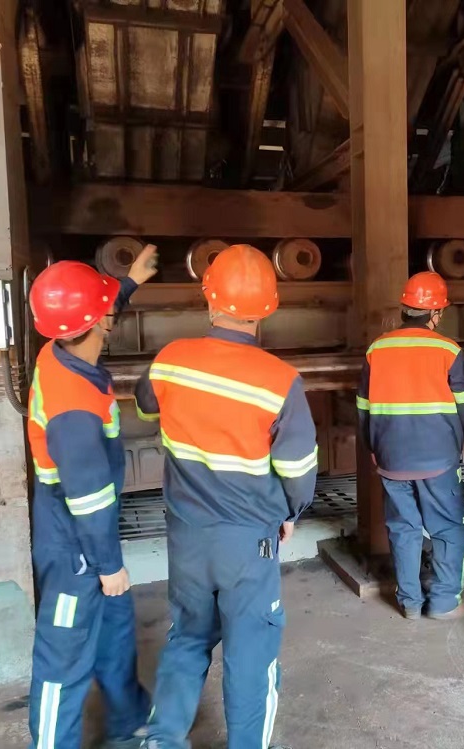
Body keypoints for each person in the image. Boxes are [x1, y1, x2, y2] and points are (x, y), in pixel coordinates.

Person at [134, 245, 318, 749]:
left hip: (187, 533)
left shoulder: (170, 361)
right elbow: (298, 471)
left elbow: (147, 408)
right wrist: (290, 513)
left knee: (188, 635)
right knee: (251, 649)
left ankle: (162, 739)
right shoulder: (280, 381)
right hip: (248, 541)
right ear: (268, 308)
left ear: (208, 297)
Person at [26, 245, 159, 749]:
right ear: (100, 322)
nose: (111, 315)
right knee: (63, 656)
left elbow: (91, 313)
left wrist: (129, 282)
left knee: (114, 627)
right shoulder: (73, 408)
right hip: (72, 538)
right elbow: (87, 497)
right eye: (108, 310)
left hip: (90, 530)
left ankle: (130, 722)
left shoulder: (58, 347)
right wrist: (107, 564)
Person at [356, 271, 464, 620]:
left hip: (391, 457)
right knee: (448, 527)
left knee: (403, 529)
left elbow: (363, 405)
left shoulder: (377, 349)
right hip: (438, 459)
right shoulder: (448, 350)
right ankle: (443, 602)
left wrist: (373, 446)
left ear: (405, 309)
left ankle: (409, 602)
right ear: (436, 313)